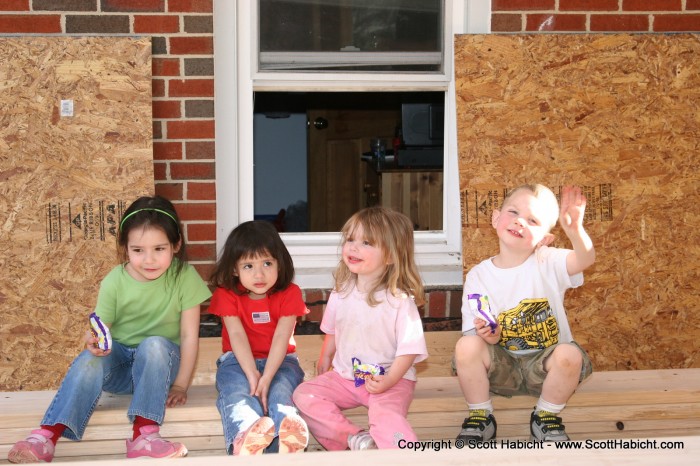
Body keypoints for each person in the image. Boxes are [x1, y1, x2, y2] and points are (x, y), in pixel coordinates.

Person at [8, 196, 212, 463]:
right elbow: (99, 329)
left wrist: (182, 385)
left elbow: (188, 336)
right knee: (91, 357)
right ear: (125, 248)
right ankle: (46, 436)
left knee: (154, 344)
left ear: (176, 245)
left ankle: (145, 435)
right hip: (121, 369)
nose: (149, 259)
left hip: (159, 367)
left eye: (159, 249)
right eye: (138, 250)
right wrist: (91, 340)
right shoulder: (115, 280)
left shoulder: (184, 277)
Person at [454, 184, 596, 443]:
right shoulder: (479, 275)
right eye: (513, 212)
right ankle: (481, 416)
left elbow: (584, 260)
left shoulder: (548, 261)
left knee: (570, 354)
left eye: (532, 220)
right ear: (496, 218)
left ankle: (546, 416)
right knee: (466, 345)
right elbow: (479, 335)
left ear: (544, 239)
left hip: (545, 369)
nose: (520, 221)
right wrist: (491, 335)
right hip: (502, 368)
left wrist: (575, 230)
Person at [293, 206, 428, 450]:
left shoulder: (399, 300)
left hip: (390, 378)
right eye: (350, 239)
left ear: (390, 256)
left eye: (366, 242)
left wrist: (389, 380)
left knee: (385, 417)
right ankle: (355, 439)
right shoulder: (341, 292)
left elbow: (408, 350)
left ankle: (407, 457)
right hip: (345, 377)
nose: (353, 247)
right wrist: (325, 358)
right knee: (304, 396)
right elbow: (333, 330)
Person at [208, 220, 310, 455]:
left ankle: (288, 434)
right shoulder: (227, 294)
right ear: (234, 269)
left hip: (281, 359)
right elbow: (236, 335)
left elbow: (282, 338)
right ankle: (246, 434)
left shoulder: (290, 293)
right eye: (248, 266)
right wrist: (253, 374)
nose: (259, 274)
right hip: (237, 360)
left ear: (279, 264)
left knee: (281, 390)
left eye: (267, 263)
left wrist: (267, 377)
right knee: (238, 392)